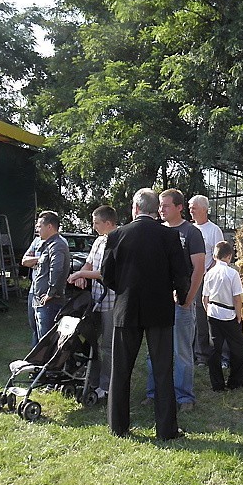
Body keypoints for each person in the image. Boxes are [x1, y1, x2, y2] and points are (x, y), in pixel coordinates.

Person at [100, 188, 190, 440]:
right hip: (160, 309)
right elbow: (182, 275)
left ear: (136, 208)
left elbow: (107, 275)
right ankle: (166, 429)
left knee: (121, 370)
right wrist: (179, 297)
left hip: (125, 309)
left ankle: (118, 425)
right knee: (162, 370)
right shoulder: (170, 236)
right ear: (154, 209)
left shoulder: (117, 235)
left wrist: (126, 290)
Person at [145, 189, 205, 412]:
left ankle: (184, 398)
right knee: (154, 350)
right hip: (158, 302)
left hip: (181, 303)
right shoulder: (156, 231)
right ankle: (153, 394)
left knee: (181, 351)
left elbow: (198, 268)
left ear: (179, 207)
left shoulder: (191, 233)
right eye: (160, 206)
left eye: (166, 206)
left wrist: (188, 299)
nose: (161, 209)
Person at [67, 205, 118, 400]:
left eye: (96, 223)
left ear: (107, 223)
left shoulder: (117, 240)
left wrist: (81, 273)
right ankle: (92, 380)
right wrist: (84, 276)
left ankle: (106, 386)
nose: (94, 226)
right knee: (91, 344)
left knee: (108, 346)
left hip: (111, 301)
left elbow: (106, 273)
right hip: (96, 300)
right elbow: (89, 263)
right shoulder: (98, 240)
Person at [202, 241, 243, 392]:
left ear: (214, 256)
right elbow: (237, 298)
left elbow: (205, 298)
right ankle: (235, 381)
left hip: (213, 312)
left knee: (215, 348)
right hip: (229, 314)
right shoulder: (232, 273)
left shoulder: (209, 273)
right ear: (229, 256)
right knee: (239, 347)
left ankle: (217, 384)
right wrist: (239, 316)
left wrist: (208, 310)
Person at [188, 195, 225, 367]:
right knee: (189, 317)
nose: (191, 210)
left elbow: (219, 257)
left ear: (204, 209)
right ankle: (190, 352)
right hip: (188, 278)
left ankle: (203, 355)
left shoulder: (213, 230)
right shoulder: (189, 228)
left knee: (202, 317)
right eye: (190, 207)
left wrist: (206, 274)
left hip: (205, 280)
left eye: (194, 207)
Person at [30, 211, 70, 344]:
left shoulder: (57, 245)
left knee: (48, 342)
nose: (37, 229)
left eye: (39, 226)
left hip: (50, 303)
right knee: (42, 339)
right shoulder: (47, 244)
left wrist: (50, 293)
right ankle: (41, 363)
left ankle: (48, 365)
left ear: (49, 227)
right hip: (42, 301)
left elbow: (57, 270)